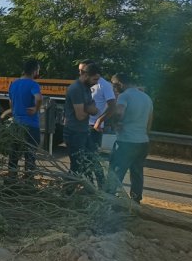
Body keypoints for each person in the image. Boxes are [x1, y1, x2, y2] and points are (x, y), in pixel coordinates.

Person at [105, 73, 153, 203]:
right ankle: (136, 200)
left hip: (126, 141)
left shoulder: (124, 96)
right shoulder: (146, 98)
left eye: (114, 85)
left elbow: (119, 112)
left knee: (116, 171)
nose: (114, 89)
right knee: (137, 172)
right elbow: (149, 122)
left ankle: (109, 198)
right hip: (143, 141)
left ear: (120, 84)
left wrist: (115, 123)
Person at [79, 60, 117, 186]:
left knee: (92, 159)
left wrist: (99, 121)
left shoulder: (104, 85)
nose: (80, 73)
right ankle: (88, 185)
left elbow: (112, 106)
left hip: (93, 128)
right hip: (82, 126)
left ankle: (101, 186)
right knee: (83, 160)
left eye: (82, 70)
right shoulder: (85, 84)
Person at [6, 59, 43, 175]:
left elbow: (11, 102)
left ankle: (11, 179)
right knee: (30, 156)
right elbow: (38, 98)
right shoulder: (33, 84)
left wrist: (15, 113)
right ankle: (28, 183)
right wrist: (36, 109)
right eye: (38, 70)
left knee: (13, 156)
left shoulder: (14, 84)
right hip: (31, 126)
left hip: (16, 125)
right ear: (35, 70)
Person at [63, 63, 100, 176]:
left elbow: (94, 109)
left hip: (84, 131)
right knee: (77, 166)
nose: (96, 82)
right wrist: (90, 109)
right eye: (95, 79)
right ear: (86, 75)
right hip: (74, 132)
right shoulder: (76, 89)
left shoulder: (87, 88)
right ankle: (67, 192)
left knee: (91, 161)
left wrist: (88, 109)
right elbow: (80, 116)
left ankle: (88, 190)